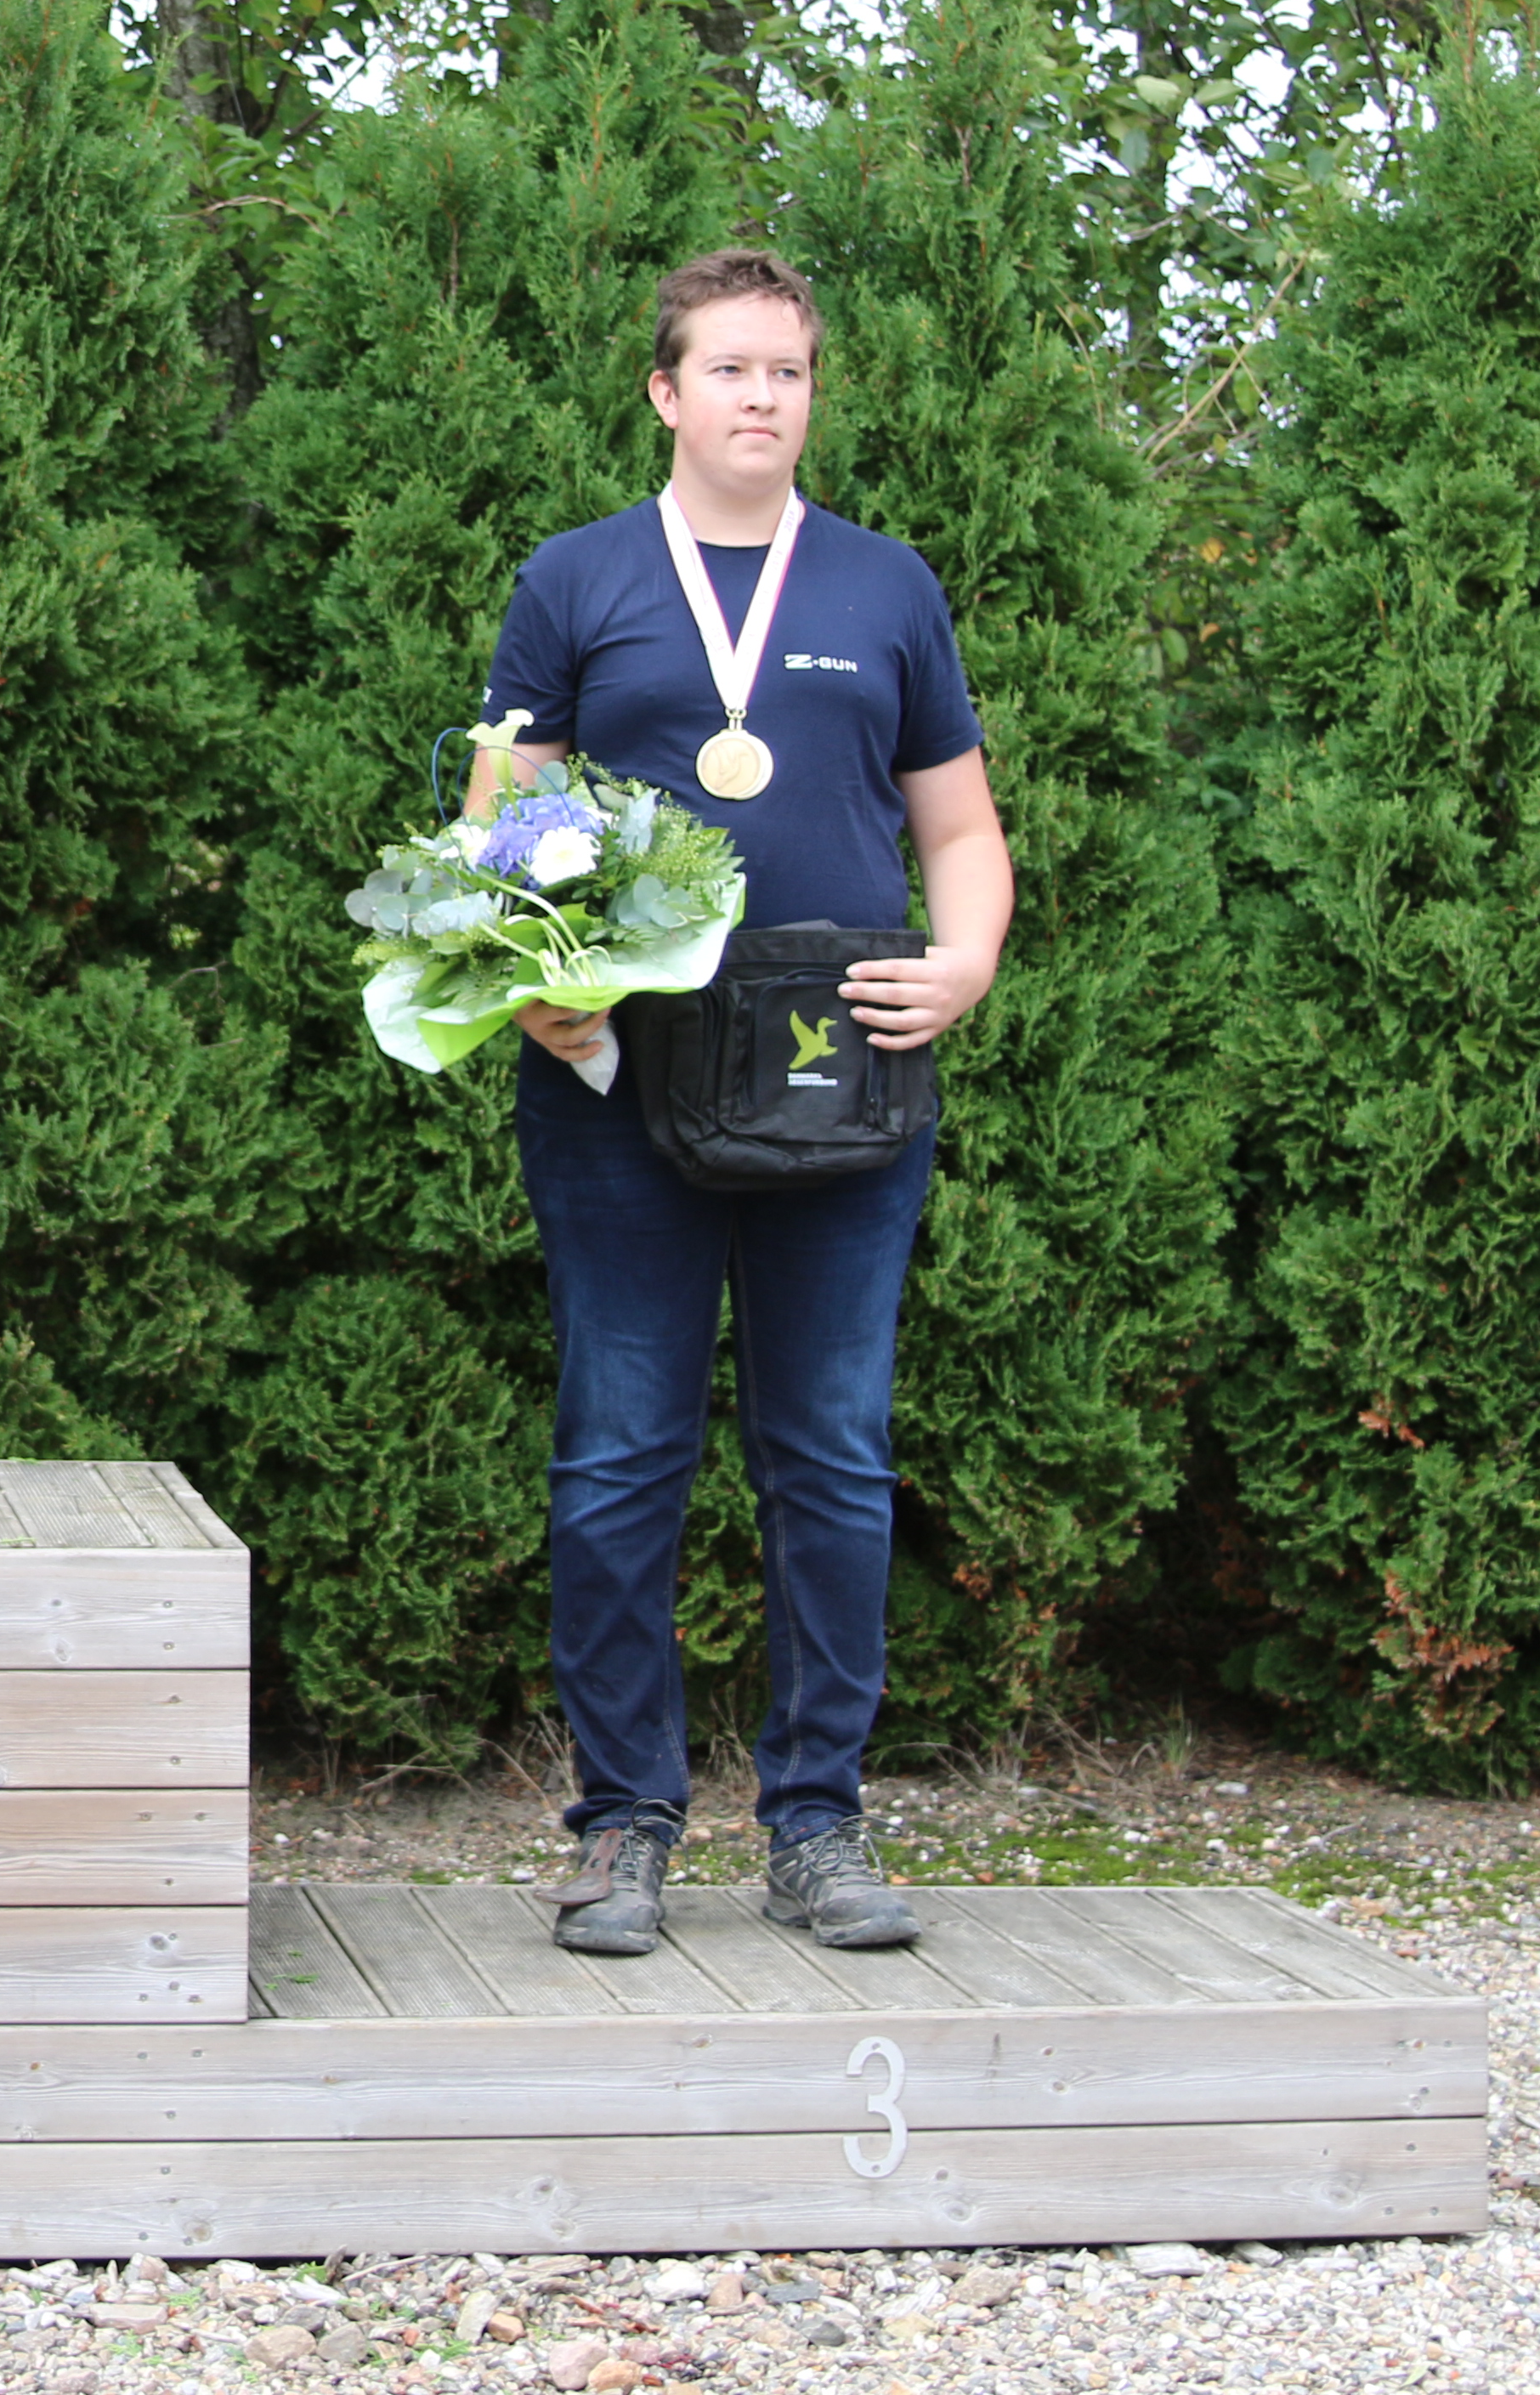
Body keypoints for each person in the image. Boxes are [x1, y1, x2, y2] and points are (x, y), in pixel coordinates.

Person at [474, 247, 1012, 1954]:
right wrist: (532, 985)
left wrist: (968, 963)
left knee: (833, 1466)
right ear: (666, 392)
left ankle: (819, 1827)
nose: (763, 398)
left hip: (842, 1083)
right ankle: (624, 1824)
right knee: (622, 1460)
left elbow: (961, 828)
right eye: (730, 370)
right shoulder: (573, 582)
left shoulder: (884, 588)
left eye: (788, 371)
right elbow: (503, 827)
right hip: (620, 1091)